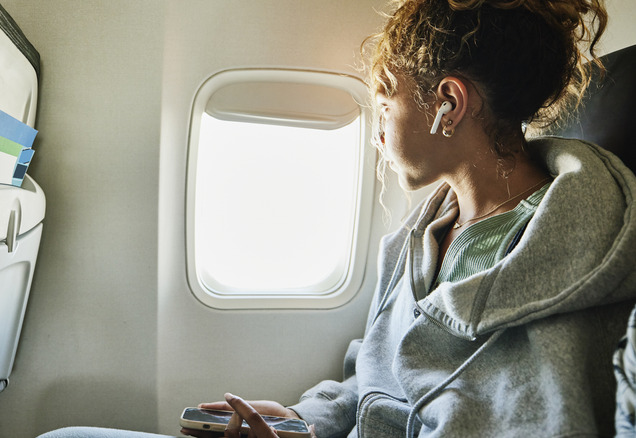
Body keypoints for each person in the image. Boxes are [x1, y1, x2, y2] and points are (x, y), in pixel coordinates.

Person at [39, 0, 636, 436]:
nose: (378, 133)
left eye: (385, 101)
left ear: (448, 104)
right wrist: (304, 421)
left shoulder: (568, 251)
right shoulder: (419, 237)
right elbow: (377, 382)